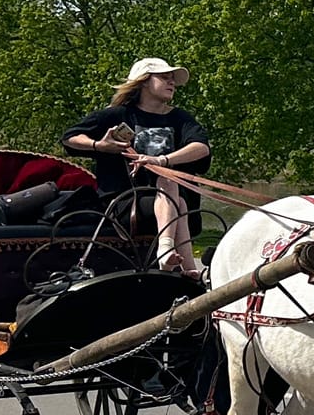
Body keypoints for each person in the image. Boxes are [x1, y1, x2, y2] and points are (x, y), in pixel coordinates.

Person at [62, 57, 211, 279]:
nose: (172, 83)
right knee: (171, 190)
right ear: (143, 82)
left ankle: (185, 268)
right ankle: (174, 256)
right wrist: (100, 146)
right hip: (124, 204)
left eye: (173, 79)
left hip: (171, 203)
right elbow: (70, 138)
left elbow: (201, 148)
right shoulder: (117, 115)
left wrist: (162, 160)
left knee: (173, 193)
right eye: (164, 77)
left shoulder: (179, 117)